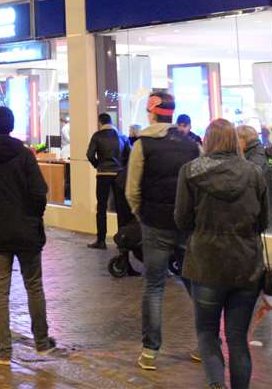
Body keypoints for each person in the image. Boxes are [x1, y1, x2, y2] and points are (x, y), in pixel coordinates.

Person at [176, 119, 268, 389]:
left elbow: (182, 219)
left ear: (208, 140)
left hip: (206, 263)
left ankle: (216, 384)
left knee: (206, 332)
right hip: (246, 265)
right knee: (238, 339)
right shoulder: (253, 173)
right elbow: (263, 222)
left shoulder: (190, 172)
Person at [0, 105, 62, 365]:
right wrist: (33, 217)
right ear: (11, 126)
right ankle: (42, 344)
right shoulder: (24, 155)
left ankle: (4, 351)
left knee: (1, 291)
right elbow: (39, 192)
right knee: (34, 286)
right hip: (27, 233)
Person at [127, 88, 201, 371]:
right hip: (185, 224)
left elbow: (132, 190)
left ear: (151, 111)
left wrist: (141, 214)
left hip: (155, 224)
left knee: (154, 285)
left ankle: (150, 352)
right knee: (194, 281)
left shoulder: (143, 145)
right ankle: (206, 344)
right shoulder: (191, 145)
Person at [87, 112, 129, 249]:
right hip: (119, 175)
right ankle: (122, 239)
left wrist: (98, 165)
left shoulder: (97, 136)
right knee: (121, 208)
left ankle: (101, 240)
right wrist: (121, 167)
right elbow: (129, 154)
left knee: (102, 207)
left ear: (100, 123)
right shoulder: (122, 136)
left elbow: (90, 155)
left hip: (103, 174)